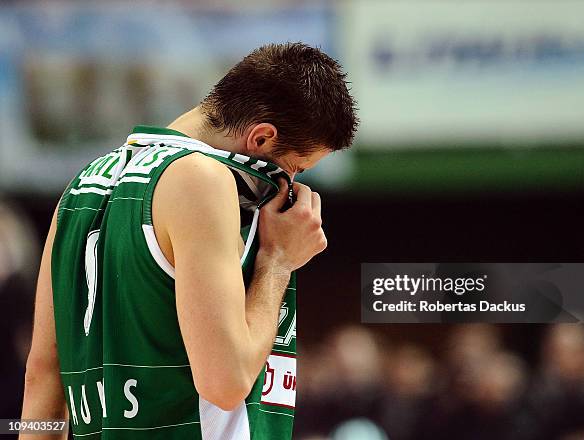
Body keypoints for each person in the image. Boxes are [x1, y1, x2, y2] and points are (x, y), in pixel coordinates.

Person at [20, 42, 358, 440]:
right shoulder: (201, 179)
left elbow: (42, 376)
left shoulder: (82, 185)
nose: (293, 184)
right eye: (295, 168)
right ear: (262, 139)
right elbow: (226, 382)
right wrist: (279, 259)